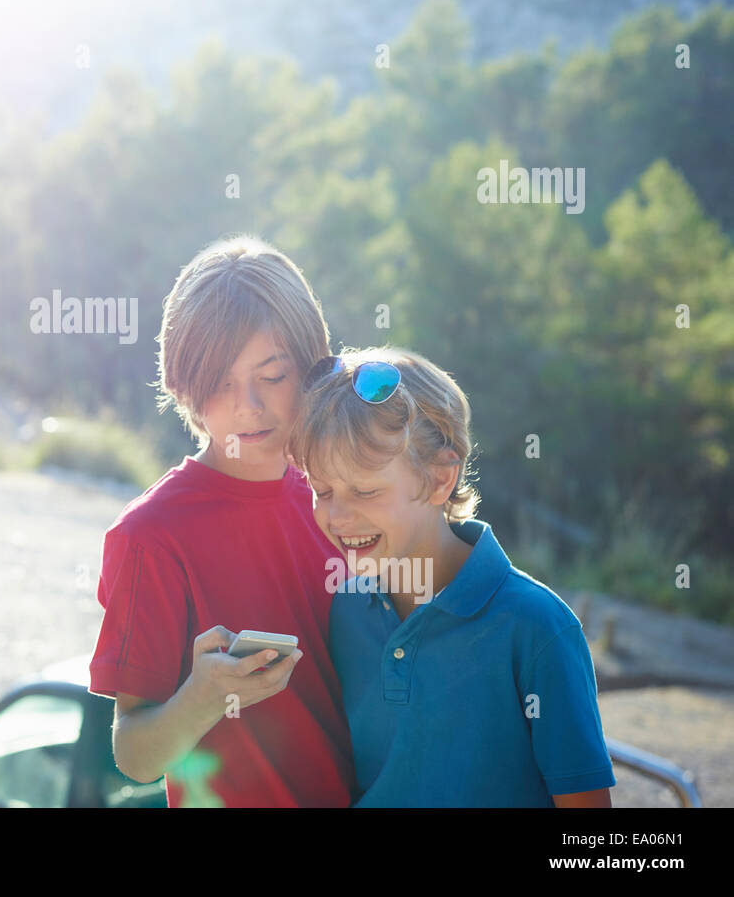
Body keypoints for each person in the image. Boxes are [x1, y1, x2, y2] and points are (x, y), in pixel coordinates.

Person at [88, 234, 356, 807]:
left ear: (312, 367)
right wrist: (202, 698)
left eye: (273, 375)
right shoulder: (150, 536)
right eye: (220, 383)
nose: (248, 406)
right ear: (183, 386)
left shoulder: (345, 495)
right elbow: (134, 755)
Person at [295, 346, 615, 807]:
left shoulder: (538, 628)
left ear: (441, 479)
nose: (337, 516)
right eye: (321, 489)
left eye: (365, 490)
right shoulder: (345, 608)